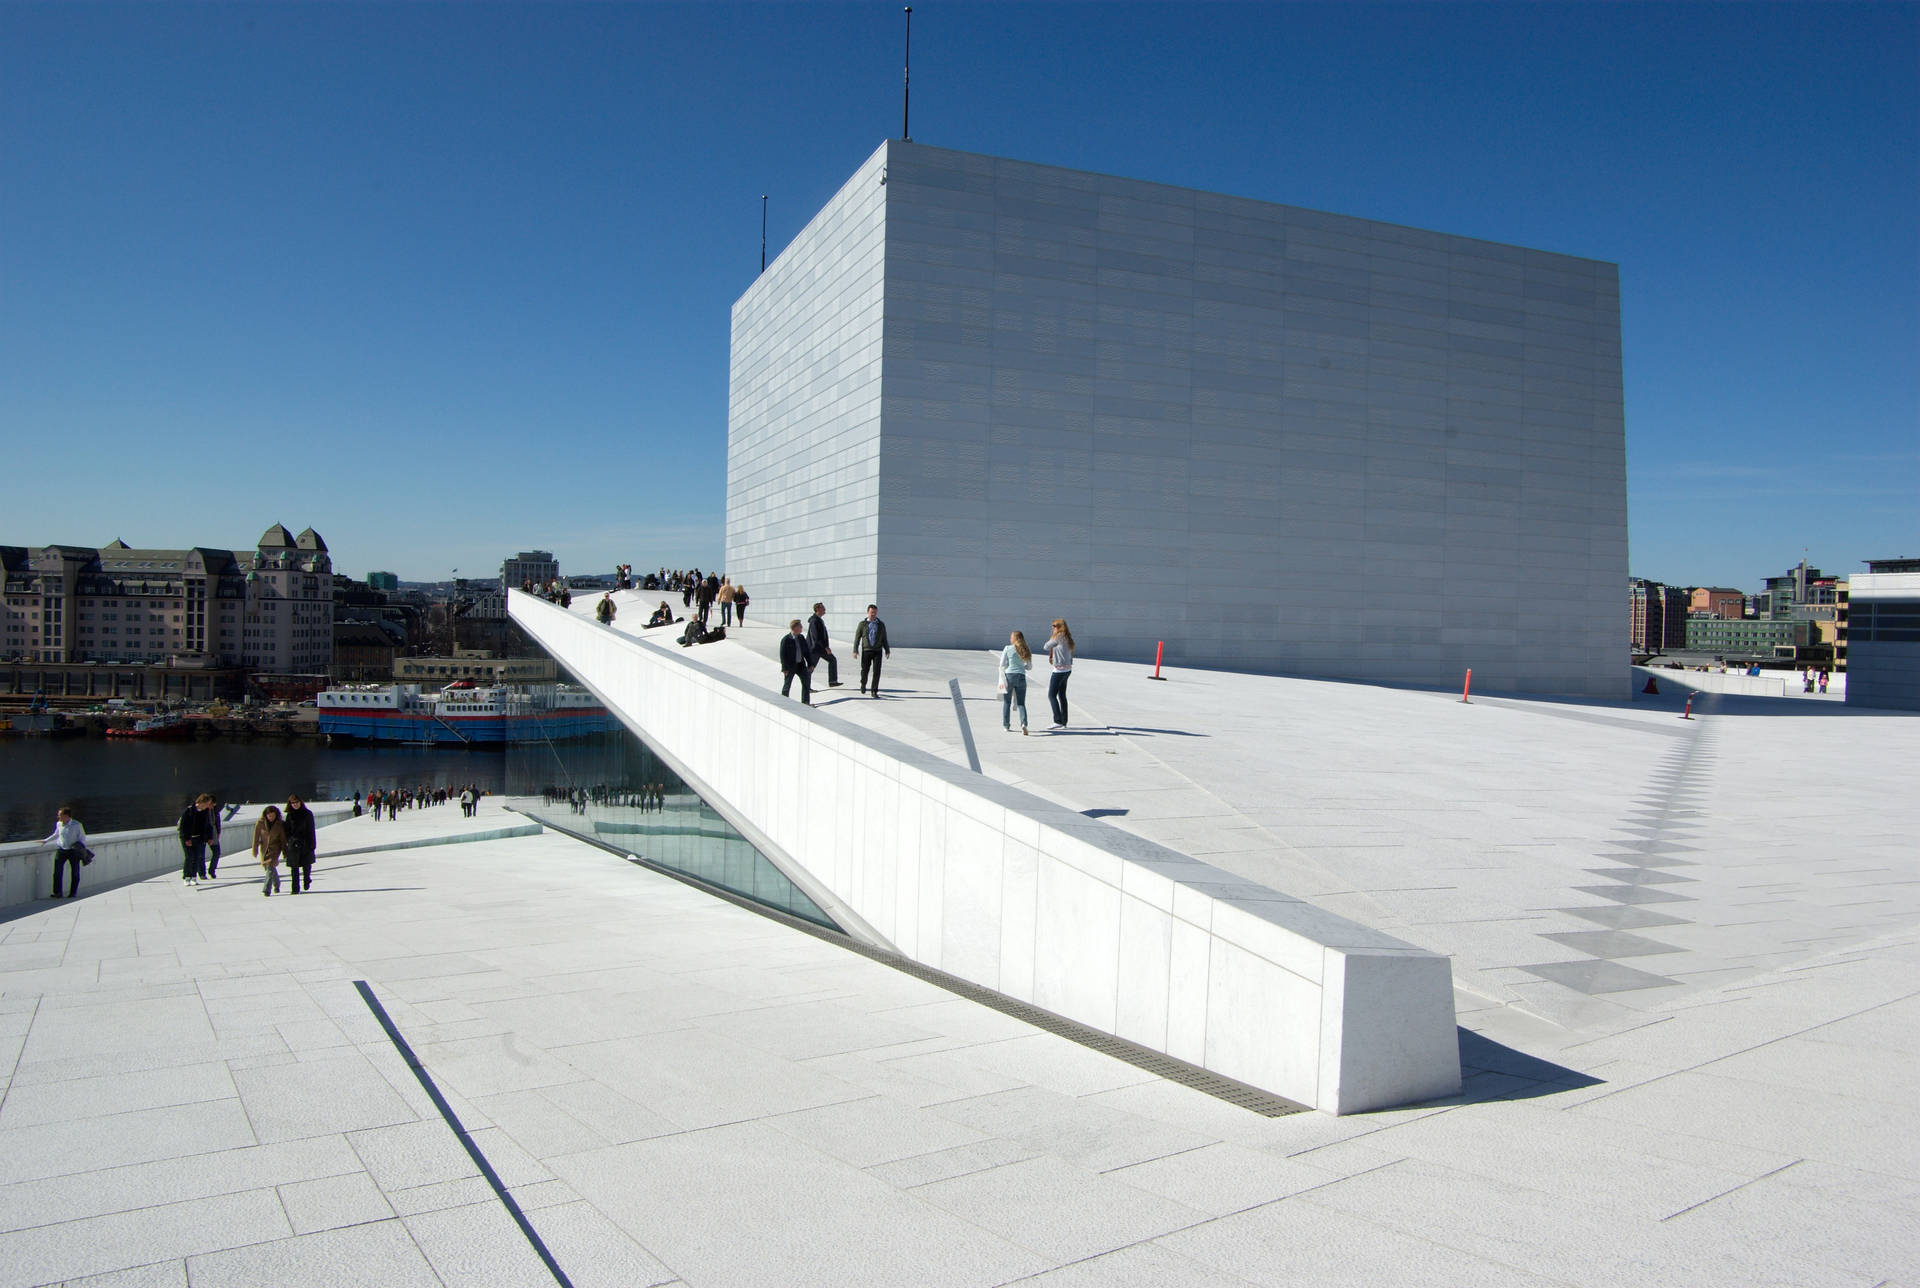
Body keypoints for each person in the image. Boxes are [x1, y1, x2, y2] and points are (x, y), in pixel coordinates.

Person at [42, 806, 89, 899]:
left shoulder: (77, 825)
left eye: (60, 815)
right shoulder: (59, 824)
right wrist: (45, 841)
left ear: (67, 816)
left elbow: (82, 838)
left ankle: (73, 892)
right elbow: (56, 834)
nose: (58, 817)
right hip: (61, 850)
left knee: (75, 872)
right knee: (57, 872)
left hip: (73, 851)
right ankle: (57, 892)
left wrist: (79, 848)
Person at [1042, 618, 1075, 729]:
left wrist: (1053, 637)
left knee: (1051, 695)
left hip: (1059, 670)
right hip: (1067, 669)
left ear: (1060, 626)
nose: (1052, 627)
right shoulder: (1067, 637)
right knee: (1062, 696)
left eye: (1054, 625)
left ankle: (1057, 721)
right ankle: (1064, 721)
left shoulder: (1058, 636)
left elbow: (1046, 646)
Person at [178, 792, 215, 885]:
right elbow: (183, 826)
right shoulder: (189, 810)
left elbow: (208, 825)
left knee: (197, 857)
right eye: (206, 804)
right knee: (189, 857)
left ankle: (193, 877)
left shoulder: (205, 812)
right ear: (202, 802)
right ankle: (186, 877)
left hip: (199, 838)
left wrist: (209, 837)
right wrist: (186, 839)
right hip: (188, 838)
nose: (207, 806)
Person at [1000, 630, 1033, 734]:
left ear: (1014, 638)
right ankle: (1024, 724)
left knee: (1007, 702)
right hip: (1021, 677)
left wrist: (1008, 667)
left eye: (1011, 637)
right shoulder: (1026, 649)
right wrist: (1021, 666)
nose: (1010, 639)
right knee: (1021, 703)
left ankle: (1006, 725)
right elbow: (1029, 667)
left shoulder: (1007, 648)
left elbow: (1002, 664)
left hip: (1009, 676)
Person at [283, 794, 317, 893]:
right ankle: (295, 889)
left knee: (306, 865)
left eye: (296, 802)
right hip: (293, 844)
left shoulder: (307, 814)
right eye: (293, 803)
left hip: (305, 843)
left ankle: (307, 880)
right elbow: (287, 830)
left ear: (300, 802)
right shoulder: (289, 815)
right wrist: (289, 841)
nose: (295, 805)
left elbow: (311, 830)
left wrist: (312, 845)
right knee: (294, 868)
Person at [854, 604, 890, 697]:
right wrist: (855, 650)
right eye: (871, 612)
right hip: (867, 650)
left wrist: (887, 649)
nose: (873, 614)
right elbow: (857, 638)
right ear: (868, 612)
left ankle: (874, 691)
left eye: (874, 612)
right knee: (865, 670)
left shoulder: (881, 624)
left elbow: (884, 638)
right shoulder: (862, 624)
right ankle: (863, 683)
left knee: (877, 671)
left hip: (878, 650)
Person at [253, 805, 286, 896]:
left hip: (275, 849)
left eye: (273, 815)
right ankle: (277, 884)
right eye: (269, 816)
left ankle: (266, 889)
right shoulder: (260, 823)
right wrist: (254, 849)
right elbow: (255, 837)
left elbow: (283, 839)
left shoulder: (280, 824)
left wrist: (284, 851)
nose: (271, 818)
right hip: (264, 849)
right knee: (269, 868)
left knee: (270, 867)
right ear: (266, 815)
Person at [780, 619, 814, 705]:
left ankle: (805, 702)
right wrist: (784, 668)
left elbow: (806, 652)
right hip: (790, 666)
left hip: (801, 665)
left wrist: (810, 664)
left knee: (806, 682)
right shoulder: (786, 639)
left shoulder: (801, 638)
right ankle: (784, 702)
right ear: (795, 627)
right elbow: (782, 655)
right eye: (800, 626)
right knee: (787, 685)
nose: (802, 628)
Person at [806, 603, 841, 688]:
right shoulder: (814, 621)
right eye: (823, 608)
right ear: (818, 609)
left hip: (820, 648)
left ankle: (832, 681)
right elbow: (816, 637)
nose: (825, 610)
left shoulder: (818, 619)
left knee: (832, 660)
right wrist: (826, 647)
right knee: (811, 667)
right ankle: (806, 687)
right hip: (815, 649)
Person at [206, 794, 225, 878]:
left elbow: (217, 822)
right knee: (200, 854)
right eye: (211, 804)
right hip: (205, 833)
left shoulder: (214, 811)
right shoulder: (203, 811)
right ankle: (201, 872)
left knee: (217, 852)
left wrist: (218, 832)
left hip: (213, 833)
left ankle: (211, 870)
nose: (212, 806)